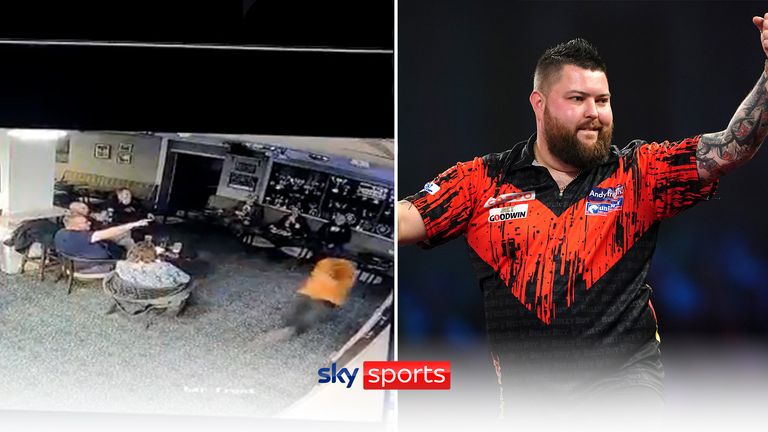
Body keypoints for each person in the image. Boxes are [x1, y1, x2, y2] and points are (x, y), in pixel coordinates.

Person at [399, 22, 768, 414]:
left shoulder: (639, 173)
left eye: (603, 100)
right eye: (578, 98)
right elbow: (403, 221)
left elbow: (730, 148)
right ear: (538, 104)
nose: (594, 113)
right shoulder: (482, 181)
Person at [268, 258, 357, 340]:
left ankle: (286, 331)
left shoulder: (327, 264)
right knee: (301, 317)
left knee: (300, 317)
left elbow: (333, 282)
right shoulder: (335, 267)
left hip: (317, 296)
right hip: (318, 297)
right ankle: (288, 331)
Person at [54, 214, 151, 271]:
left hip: (76, 259)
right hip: (95, 264)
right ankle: (143, 263)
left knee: (126, 239)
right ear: (74, 226)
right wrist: (133, 224)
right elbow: (111, 232)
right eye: (85, 222)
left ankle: (136, 253)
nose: (89, 223)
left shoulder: (60, 233)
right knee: (127, 243)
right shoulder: (80, 236)